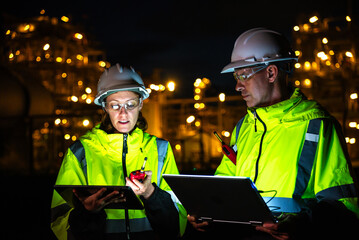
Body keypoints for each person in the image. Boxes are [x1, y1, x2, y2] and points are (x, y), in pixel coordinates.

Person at [187, 28, 359, 239]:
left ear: (270, 73)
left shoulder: (317, 126)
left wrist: (303, 223)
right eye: (236, 76)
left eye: (243, 76)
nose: (238, 86)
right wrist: (206, 209)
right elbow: (226, 182)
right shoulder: (244, 126)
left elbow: (343, 205)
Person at [51, 64, 187, 240]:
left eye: (130, 105)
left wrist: (151, 194)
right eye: (115, 106)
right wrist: (87, 213)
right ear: (105, 108)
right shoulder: (80, 152)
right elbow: (61, 226)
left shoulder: (160, 149)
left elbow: (177, 226)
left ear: (140, 105)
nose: (123, 114)